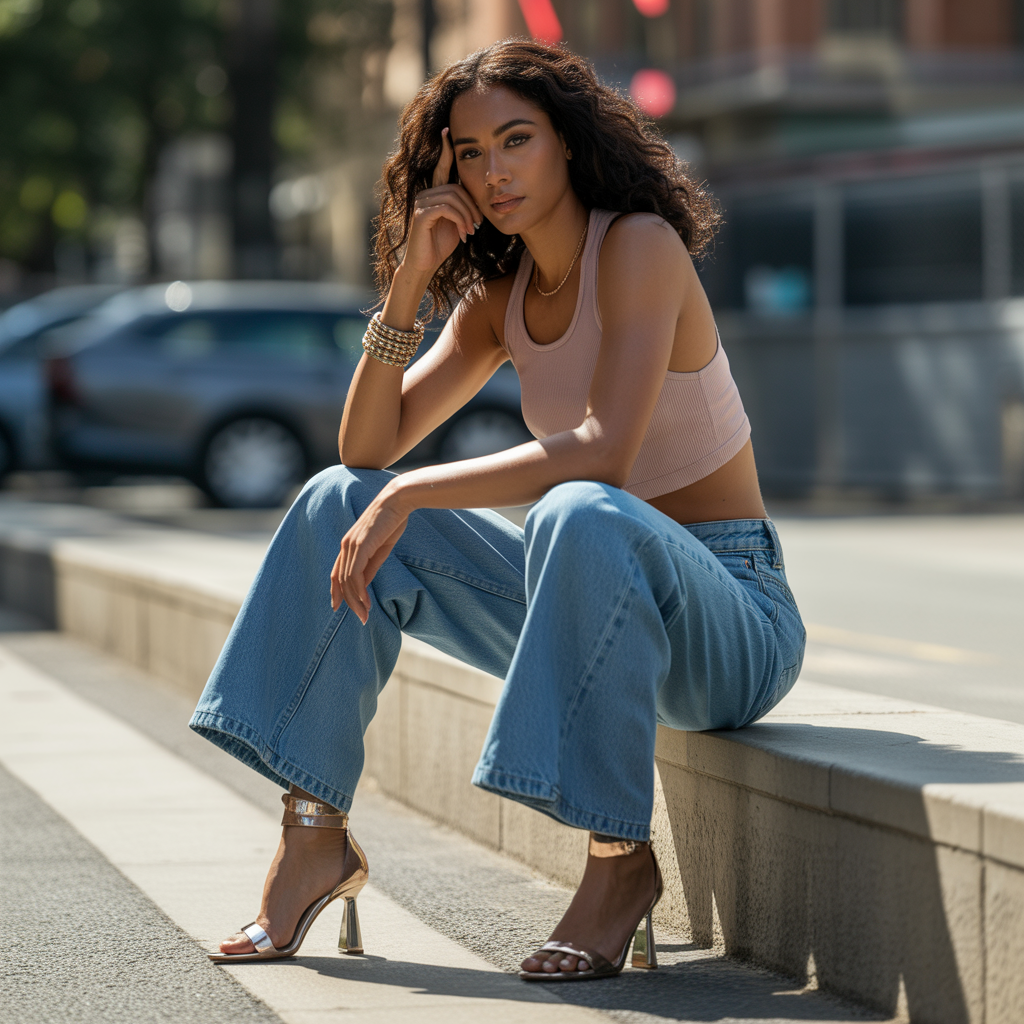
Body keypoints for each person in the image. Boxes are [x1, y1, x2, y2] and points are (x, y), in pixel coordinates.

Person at [190, 39, 805, 982]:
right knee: (334, 498)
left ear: (567, 143)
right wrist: (406, 279)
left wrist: (416, 489)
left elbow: (604, 449)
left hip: (731, 616)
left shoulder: (639, 246)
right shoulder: (498, 299)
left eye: (516, 140)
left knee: (581, 509)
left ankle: (616, 861)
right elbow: (365, 450)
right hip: (586, 599)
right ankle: (315, 831)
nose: (494, 170)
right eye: (469, 153)